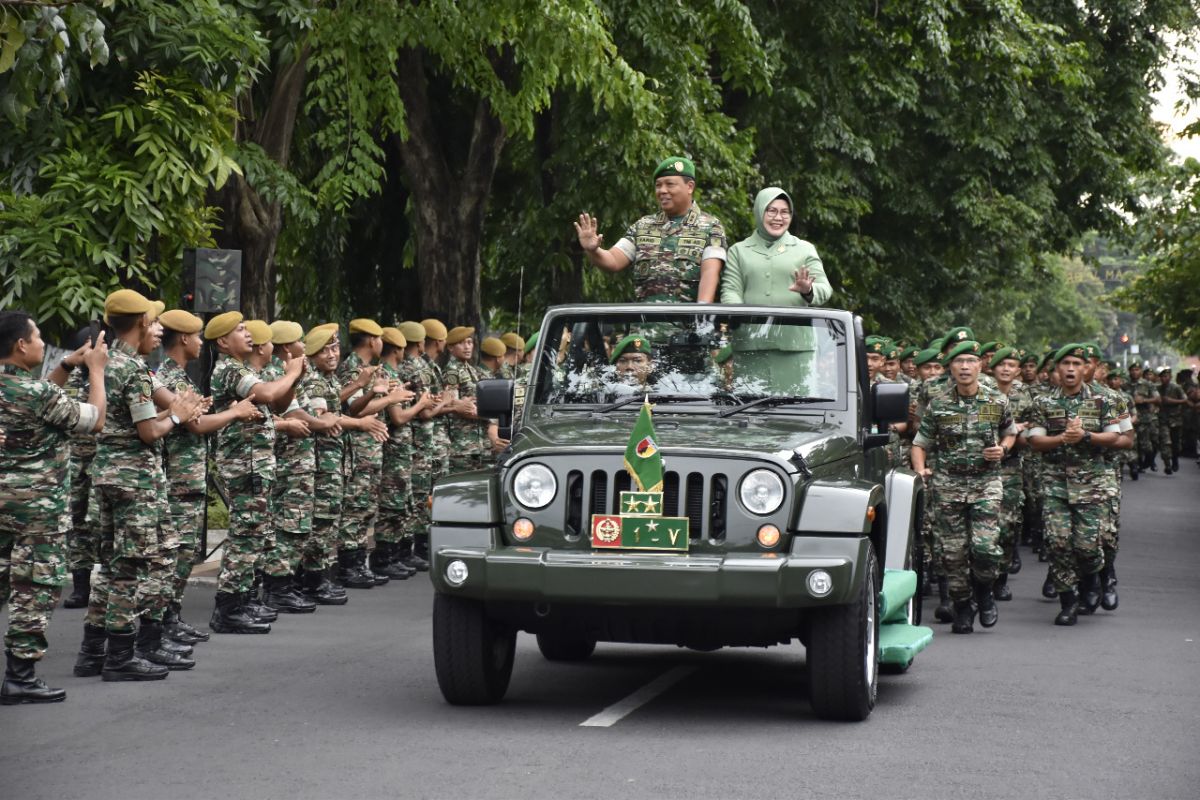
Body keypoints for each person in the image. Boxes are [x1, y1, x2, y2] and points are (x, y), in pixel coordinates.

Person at [78, 290, 200, 680]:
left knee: (112, 568)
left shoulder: (108, 362)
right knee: (131, 567)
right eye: (155, 322)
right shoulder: (132, 369)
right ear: (143, 323)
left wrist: (170, 410)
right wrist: (177, 417)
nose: (158, 330)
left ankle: (92, 652)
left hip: (108, 475)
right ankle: (121, 656)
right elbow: (148, 432)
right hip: (134, 479)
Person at [1, 311, 107, 704]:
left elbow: (36, 400)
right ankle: (20, 676)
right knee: (33, 589)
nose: (44, 344)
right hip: (36, 513)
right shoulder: (38, 395)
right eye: (39, 337)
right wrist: (95, 371)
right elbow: (94, 420)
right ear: (21, 346)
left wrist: (65, 365)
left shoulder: (29, 392)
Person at [204, 311, 304, 634]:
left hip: (255, 464)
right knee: (245, 533)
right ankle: (228, 607)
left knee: (255, 532)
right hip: (243, 464)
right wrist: (291, 373)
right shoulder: (230, 370)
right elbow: (270, 394)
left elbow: (278, 403)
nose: (248, 334)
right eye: (240, 330)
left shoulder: (244, 369)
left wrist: (294, 378)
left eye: (247, 328)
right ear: (223, 341)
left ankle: (243, 599)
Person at [910, 339, 1016, 634]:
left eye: (971, 361)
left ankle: (984, 590)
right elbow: (920, 444)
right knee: (953, 553)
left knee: (984, 548)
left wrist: (1003, 450)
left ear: (981, 366)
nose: (965, 367)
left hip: (986, 483)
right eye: (959, 362)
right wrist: (921, 470)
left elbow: (1010, 433)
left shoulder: (997, 401)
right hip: (948, 486)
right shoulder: (939, 405)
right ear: (951, 368)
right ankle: (962, 605)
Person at [1025, 345, 1125, 626]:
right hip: (1055, 484)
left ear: (1085, 368)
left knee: (1088, 547)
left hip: (1092, 486)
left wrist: (1085, 436)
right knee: (1057, 544)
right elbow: (1034, 441)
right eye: (1065, 363)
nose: (1070, 369)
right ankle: (1067, 602)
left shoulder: (1103, 400)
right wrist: (1062, 439)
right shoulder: (1043, 403)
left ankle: (1092, 580)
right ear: (1057, 369)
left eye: (1076, 364)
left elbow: (1115, 437)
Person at [575, 157, 727, 303]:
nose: (662, 190)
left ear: (690, 187)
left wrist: (701, 317)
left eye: (670, 184)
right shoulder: (643, 226)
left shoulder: (711, 227)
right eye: (658, 185)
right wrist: (593, 250)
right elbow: (613, 261)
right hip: (643, 327)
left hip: (686, 327)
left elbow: (710, 273)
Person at [1157, 367, 1187, 473]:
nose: (1164, 379)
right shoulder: (1158, 388)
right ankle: (1167, 465)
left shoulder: (1176, 388)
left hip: (1175, 419)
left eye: (1166, 376)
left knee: (1175, 443)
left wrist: (1172, 401)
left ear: (1170, 377)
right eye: (1162, 377)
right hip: (1163, 419)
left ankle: (1175, 460)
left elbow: (1185, 400)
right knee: (1165, 442)